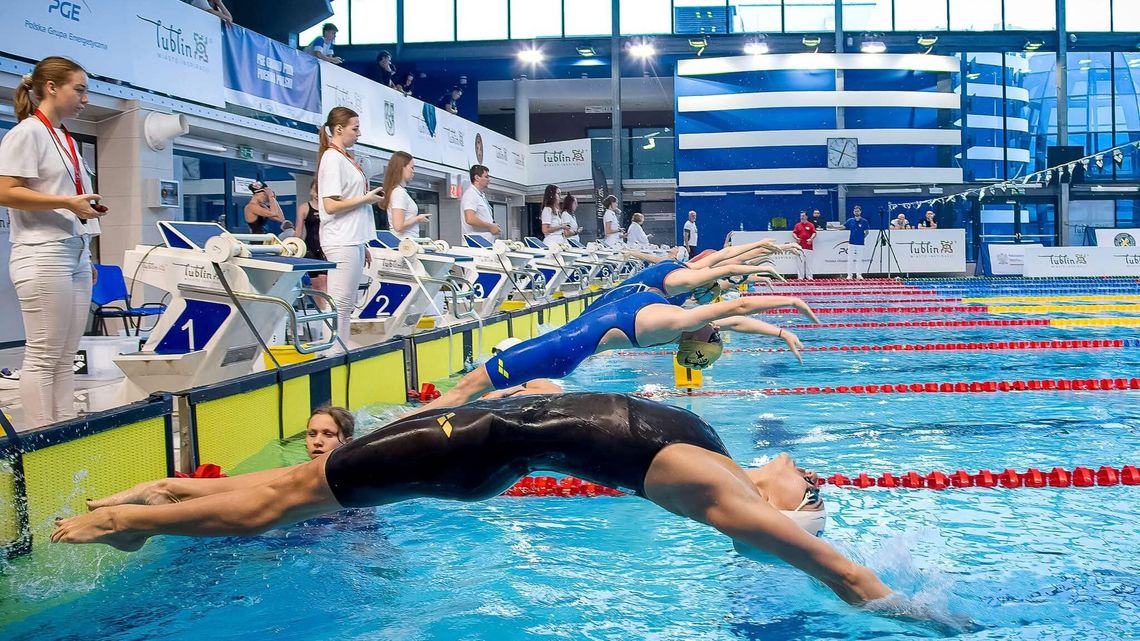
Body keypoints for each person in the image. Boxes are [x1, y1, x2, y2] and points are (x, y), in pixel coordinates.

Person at [52, 393, 892, 607]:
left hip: (471, 446)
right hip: (480, 439)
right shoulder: (715, 462)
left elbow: (844, 574)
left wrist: (945, 619)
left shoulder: (727, 495)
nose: (794, 460)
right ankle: (153, 506)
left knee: (275, 505)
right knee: (285, 489)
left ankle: (124, 520)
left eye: (807, 481)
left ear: (791, 503)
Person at [414, 290, 817, 413]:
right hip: (563, 355)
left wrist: (791, 302)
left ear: (701, 336)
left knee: (463, 390)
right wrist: (780, 330)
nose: (718, 328)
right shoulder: (677, 322)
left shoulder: (675, 321)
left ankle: (377, 439)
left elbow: (738, 308)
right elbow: (737, 319)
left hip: (556, 350)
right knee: (468, 393)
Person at [0, 57, 106, 428]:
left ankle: (64, 430)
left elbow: (73, 197)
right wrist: (65, 202)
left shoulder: (64, 138)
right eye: (79, 89)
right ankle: (40, 437)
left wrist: (87, 254)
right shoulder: (26, 133)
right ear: (51, 88)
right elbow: (5, 191)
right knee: (44, 355)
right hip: (41, 253)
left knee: (64, 356)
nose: (85, 98)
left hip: (72, 252)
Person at [83, 406, 354, 509]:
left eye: (328, 434)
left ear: (347, 442)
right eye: (311, 433)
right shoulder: (294, 472)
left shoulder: (352, 485)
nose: (317, 441)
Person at [316, 107, 384, 354]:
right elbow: (331, 205)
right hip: (340, 238)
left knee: (346, 303)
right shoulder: (332, 158)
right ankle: (331, 353)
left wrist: (363, 242)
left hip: (353, 238)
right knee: (339, 301)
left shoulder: (343, 158)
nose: (359, 133)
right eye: (355, 129)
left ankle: (340, 351)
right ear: (339, 129)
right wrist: (366, 199)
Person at [294, 182, 329, 309]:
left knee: (324, 281)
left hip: (325, 247)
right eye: (315, 191)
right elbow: (298, 231)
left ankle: (327, 311)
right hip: (310, 248)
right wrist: (293, 249)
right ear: (311, 192)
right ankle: (321, 311)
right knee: (315, 284)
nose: (317, 195)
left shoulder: (328, 208)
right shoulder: (304, 208)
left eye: (320, 192)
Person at [382, 151, 430, 241]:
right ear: (401, 168)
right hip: (405, 244)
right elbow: (398, 226)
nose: (413, 171)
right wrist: (417, 218)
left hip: (406, 243)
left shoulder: (398, 191)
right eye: (412, 167)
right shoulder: (399, 193)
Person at [461, 164, 500, 244]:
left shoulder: (480, 195)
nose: (489, 180)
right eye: (486, 177)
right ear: (477, 178)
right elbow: (470, 219)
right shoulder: (471, 194)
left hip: (484, 243)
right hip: (475, 244)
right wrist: (490, 226)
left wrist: (493, 225)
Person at [843, 206, 870, 280]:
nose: (856, 212)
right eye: (855, 211)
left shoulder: (864, 221)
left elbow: (867, 232)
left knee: (859, 259)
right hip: (851, 243)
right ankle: (849, 275)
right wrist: (834, 227)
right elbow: (843, 227)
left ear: (860, 212)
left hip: (860, 243)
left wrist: (862, 237)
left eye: (858, 211)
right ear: (853, 212)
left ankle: (859, 274)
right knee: (850, 259)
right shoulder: (850, 220)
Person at [792, 211, 817, 280]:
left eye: (803, 216)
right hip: (800, 247)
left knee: (809, 262)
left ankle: (809, 276)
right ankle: (800, 276)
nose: (802, 217)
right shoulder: (797, 225)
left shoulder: (811, 225)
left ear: (806, 217)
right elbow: (794, 233)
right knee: (800, 262)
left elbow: (814, 233)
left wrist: (811, 239)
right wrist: (796, 238)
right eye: (801, 216)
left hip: (809, 247)